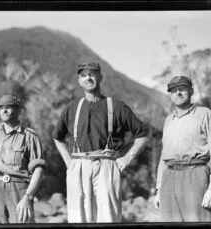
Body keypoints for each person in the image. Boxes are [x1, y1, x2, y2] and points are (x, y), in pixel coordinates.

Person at [52, 60, 152, 223]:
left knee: (108, 219)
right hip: (78, 165)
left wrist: (126, 159)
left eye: (92, 74)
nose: (88, 78)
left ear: (100, 77)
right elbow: (57, 137)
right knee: (78, 219)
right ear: (79, 81)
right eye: (83, 75)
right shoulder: (72, 107)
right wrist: (68, 162)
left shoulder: (117, 107)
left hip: (107, 165)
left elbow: (144, 134)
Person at [153, 76, 211, 222]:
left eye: (182, 89)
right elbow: (164, 156)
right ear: (170, 94)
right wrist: (159, 188)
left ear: (191, 91)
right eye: (174, 90)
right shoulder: (169, 120)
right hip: (169, 178)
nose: (178, 93)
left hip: (196, 175)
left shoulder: (204, 114)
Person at [0, 95, 47, 224]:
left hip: (19, 189)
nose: (4, 111)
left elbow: (39, 169)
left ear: (18, 110)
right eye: (1, 108)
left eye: (8, 108)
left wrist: (28, 197)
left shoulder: (29, 136)